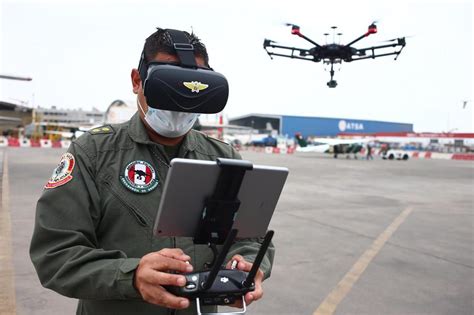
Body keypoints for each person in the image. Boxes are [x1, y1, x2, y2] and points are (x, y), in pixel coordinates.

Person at [30, 28, 274, 315]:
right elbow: (55, 254)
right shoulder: (93, 153)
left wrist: (244, 266)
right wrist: (130, 275)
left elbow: (249, 238)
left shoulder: (222, 157)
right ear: (137, 80)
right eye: (168, 87)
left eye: (192, 89)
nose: (179, 104)